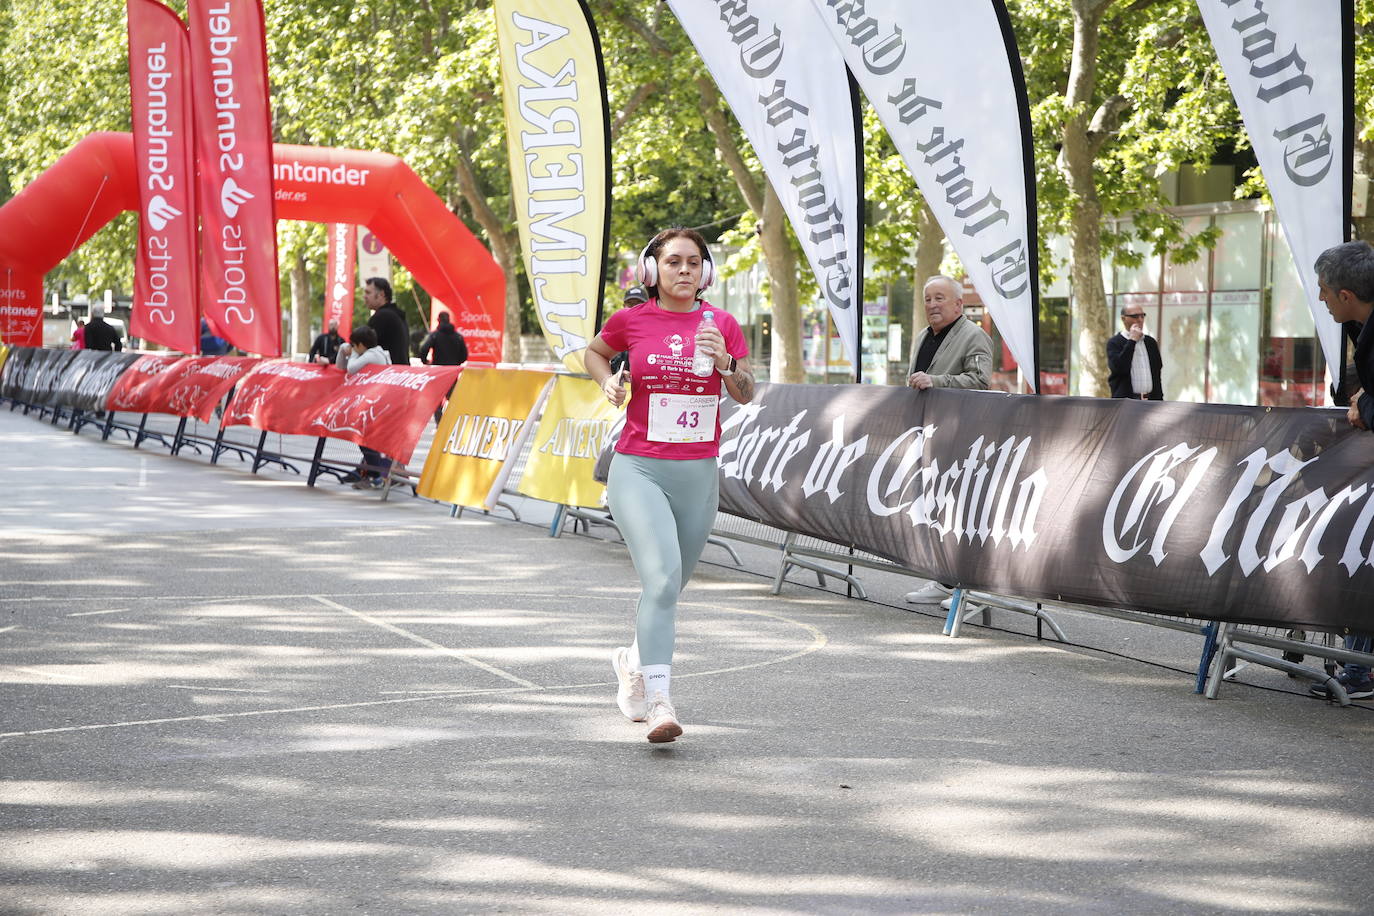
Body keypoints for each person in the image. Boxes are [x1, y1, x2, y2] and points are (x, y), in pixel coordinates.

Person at [584, 227, 753, 743]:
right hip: (638, 467)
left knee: (670, 586)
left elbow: (746, 392)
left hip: (698, 472)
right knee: (660, 582)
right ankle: (660, 700)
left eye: (695, 262)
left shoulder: (722, 323)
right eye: (674, 261)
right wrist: (608, 381)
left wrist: (725, 363)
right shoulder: (631, 321)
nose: (685, 270)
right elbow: (593, 353)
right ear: (652, 270)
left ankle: (633, 662)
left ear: (707, 271)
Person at [903, 275, 993, 607]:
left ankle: (971, 586)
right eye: (928, 299)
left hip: (962, 439)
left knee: (961, 513)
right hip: (928, 437)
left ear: (959, 303)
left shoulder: (975, 337)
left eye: (940, 298)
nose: (932, 305)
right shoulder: (922, 336)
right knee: (935, 509)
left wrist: (935, 380)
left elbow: (980, 381)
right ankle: (943, 580)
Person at [1309, 240, 1374, 700]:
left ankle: (1360, 669)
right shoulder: (1361, 327)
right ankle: (1358, 665)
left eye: (1324, 291)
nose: (1321, 299)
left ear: (1346, 295)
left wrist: (1367, 404)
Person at [335, 325, 392, 489]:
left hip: (376, 404)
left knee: (365, 440)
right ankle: (375, 474)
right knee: (366, 440)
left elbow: (351, 368)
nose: (352, 348)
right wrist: (341, 352)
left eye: (354, 345)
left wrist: (351, 353)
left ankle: (377, 476)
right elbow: (341, 368)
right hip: (374, 402)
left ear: (361, 345)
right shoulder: (372, 353)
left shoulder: (373, 355)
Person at [1106, 304, 1164, 399]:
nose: (1140, 320)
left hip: (1151, 401)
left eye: (1142, 316)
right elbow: (1119, 368)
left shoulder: (1150, 342)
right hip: (1126, 402)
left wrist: (1159, 398)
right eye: (1135, 316)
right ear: (1123, 319)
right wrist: (1132, 341)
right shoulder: (1114, 343)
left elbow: (1157, 372)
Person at [419, 312, 468, 424]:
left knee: (436, 400)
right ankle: (451, 422)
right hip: (452, 371)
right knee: (453, 399)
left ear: (438, 320)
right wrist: (456, 363)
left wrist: (426, 362)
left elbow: (423, 349)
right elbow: (464, 355)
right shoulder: (458, 336)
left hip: (439, 371)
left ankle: (439, 424)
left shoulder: (435, 335)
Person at [364, 277, 410, 368]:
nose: (364, 296)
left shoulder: (381, 317)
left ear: (381, 294)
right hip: (401, 372)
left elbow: (361, 347)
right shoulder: (396, 315)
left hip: (386, 375)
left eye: (368, 293)